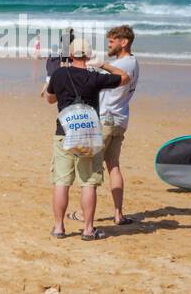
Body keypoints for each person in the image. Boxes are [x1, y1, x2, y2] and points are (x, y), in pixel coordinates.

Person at [44, 38, 134, 240]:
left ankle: (59, 228)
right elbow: (125, 77)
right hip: (89, 136)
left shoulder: (59, 74)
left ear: (70, 54)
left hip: (63, 133)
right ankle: (88, 229)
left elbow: (50, 99)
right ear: (88, 55)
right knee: (88, 182)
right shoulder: (95, 77)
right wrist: (103, 64)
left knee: (61, 182)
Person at [98, 24, 140, 226]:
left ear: (124, 42)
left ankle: (84, 212)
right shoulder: (132, 62)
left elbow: (102, 81)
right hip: (121, 118)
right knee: (113, 166)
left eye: (112, 41)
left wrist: (100, 65)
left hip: (107, 118)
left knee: (92, 168)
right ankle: (118, 214)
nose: (109, 44)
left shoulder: (123, 65)